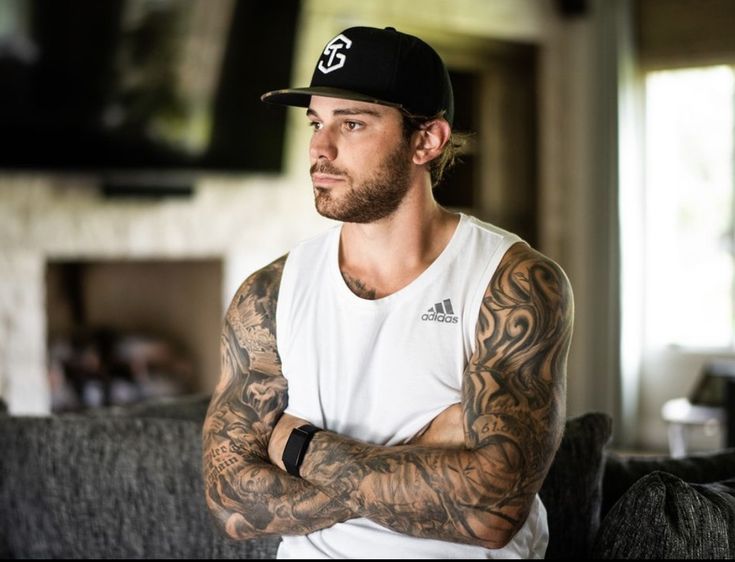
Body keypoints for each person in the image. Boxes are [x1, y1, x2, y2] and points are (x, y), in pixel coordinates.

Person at [202, 26, 573, 559]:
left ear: (427, 140)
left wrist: (298, 445)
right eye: (316, 121)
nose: (319, 147)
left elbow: (493, 512)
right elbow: (230, 502)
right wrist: (425, 457)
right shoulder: (269, 294)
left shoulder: (513, 284)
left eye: (351, 123)